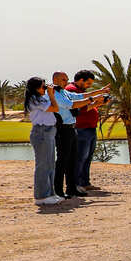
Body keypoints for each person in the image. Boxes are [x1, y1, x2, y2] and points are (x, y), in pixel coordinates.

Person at [50, 70, 107, 198]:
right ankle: (58, 190)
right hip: (62, 129)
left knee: (72, 160)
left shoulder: (64, 92)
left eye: (67, 79)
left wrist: (99, 92)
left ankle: (71, 188)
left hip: (71, 128)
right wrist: (93, 99)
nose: (67, 82)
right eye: (64, 79)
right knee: (63, 160)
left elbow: (80, 97)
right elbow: (71, 105)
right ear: (55, 80)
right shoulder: (54, 93)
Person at [23, 77, 65, 206]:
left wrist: (51, 93)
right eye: (43, 86)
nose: (44, 89)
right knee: (43, 165)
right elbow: (55, 108)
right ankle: (41, 196)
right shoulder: (34, 99)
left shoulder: (41, 98)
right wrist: (51, 94)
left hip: (49, 131)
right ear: (35, 88)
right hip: (41, 132)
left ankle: (50, 194)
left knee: (50, 164)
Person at [68, 68, 106, 190]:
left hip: (89, 128)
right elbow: (81, 109)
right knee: (80, 157)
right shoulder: (72, 90)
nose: (89, 86)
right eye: (88, 83)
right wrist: (95, 101)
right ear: (80, 80)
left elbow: (88, 106)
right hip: (81, 128)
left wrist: (99, 103)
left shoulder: (81, 91)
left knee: (87, 157)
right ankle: (76, 184)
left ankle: (85, 182)